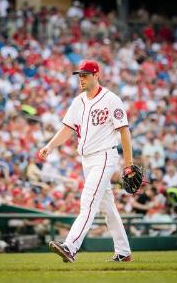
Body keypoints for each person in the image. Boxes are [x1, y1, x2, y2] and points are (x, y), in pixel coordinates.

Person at [39, 59, 133, 263]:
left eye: (85, 75)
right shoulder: (79, 101)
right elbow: (68, 129)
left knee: (88, 202)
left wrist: (129, 164)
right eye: (79, 75)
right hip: (86, 160)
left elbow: (124, 131)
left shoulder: (111, 99)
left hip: (105, 156)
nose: (81, 79)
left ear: (96, 75)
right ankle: (124, 252)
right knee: (108, 207)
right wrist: (50, 145)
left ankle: (70, 247)